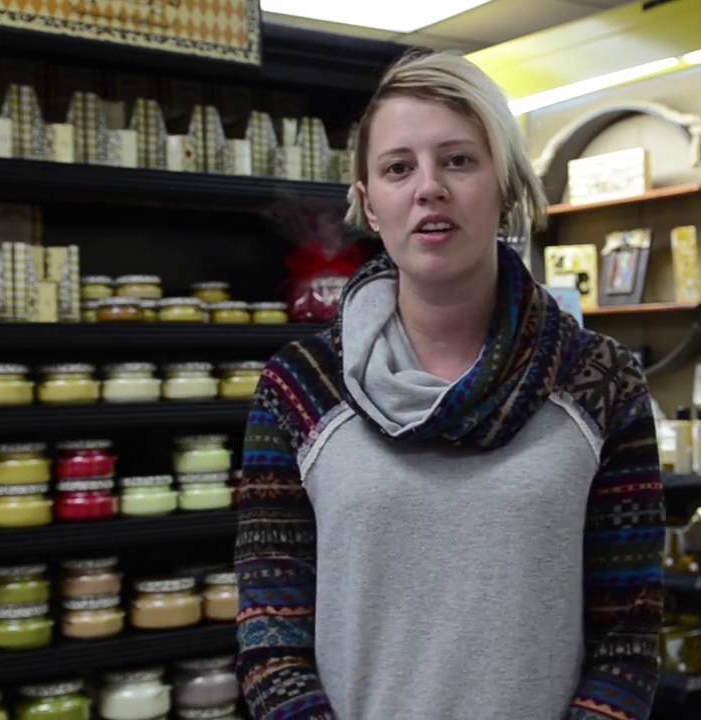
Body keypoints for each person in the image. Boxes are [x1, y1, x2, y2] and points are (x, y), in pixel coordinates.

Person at [233, 50, 664, 720]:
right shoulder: (299, 387)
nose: (428, 188)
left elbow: (628, 641)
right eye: (398, 168)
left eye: (458, 160)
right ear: (369, 204)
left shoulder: (600, 381)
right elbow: (271, 636)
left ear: (508, 188)